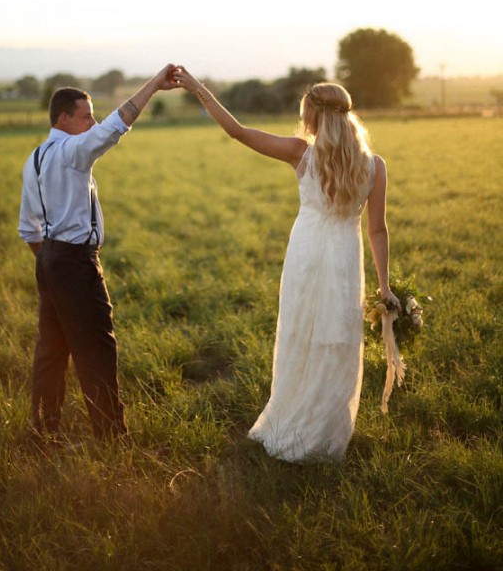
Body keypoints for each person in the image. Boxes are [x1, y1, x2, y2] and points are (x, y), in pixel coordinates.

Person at [172, 67, 401, 463]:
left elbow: (239, 132)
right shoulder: (374, 165)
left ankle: (295, 421)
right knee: (337, 339)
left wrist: (197, 88)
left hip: (307, 254)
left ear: (313, 117)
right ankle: (326, 435)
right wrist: (384, 286)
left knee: (300, 334)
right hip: (345, 261)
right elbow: (377, 231)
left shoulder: (302, 153)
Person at [19, 65, 178, 443]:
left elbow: (28, 228)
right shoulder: (73, 151)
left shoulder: (36, 157)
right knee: (97, 348)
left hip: (49, 259)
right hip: (73, 261)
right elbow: (115, 126)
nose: (93, 122)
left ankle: (43, 430)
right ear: (64, 118)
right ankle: (111, 438)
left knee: (51, 350)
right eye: (86, 115)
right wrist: (154, 85)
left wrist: (50, 261)